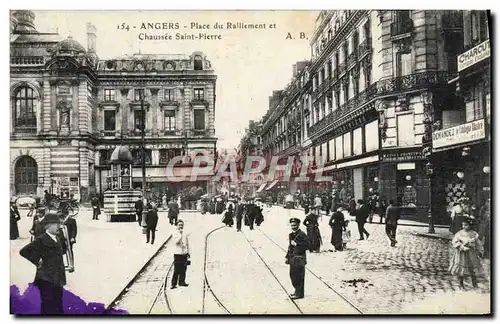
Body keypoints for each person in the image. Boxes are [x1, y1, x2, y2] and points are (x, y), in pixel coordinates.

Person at [19, 211, 68, 314]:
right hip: (46, 279)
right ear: (48, 226)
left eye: (59, 223)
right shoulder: (41, 239)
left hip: (58, 278)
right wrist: (37, 260)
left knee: (58, 304)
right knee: (48, 306)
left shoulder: (58, 238)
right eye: (57, 224)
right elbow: (24, 251)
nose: (59, 226)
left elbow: (62, 253)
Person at [449, 216, 483, 290]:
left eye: (466, 225)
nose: (464, 226)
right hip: (461, 254)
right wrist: (462, 247)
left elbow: (478, 243)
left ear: (470, 225)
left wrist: (480, 251)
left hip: (471, 253)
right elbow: (455, 241)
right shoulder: (459, 233)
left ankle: (475, 284)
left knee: (472, 268)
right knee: (461, 269)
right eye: (463, 225)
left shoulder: (474, 234)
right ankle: (461, 283)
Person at [285, 218, 309, 300]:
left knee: (299, 276)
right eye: (292, 225)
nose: (293, 227)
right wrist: (287, 256)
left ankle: (299, 294)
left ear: (298, 225)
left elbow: (307, 245)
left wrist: (297, 244)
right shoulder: (291, 235)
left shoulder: (302, 234)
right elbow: (290, 247)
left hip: (300, 258)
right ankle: (296, 291)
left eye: (295, 225)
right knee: (293, 275)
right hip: (292, 258)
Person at [171, 219, 190, 289]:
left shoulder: (185, 233)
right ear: (177, 226)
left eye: (182, 225)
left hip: (184, 253)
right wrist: (180, 235)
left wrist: (188, 252)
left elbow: (187, 243)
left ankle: (182, 282)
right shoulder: (174, 233)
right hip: (177, 253)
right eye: (179, 225)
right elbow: (175, 242)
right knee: (176, 269)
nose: (181, 226)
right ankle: (173, 283)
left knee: (184, 268)